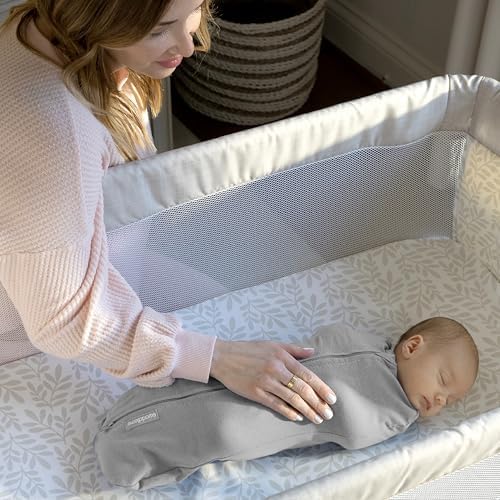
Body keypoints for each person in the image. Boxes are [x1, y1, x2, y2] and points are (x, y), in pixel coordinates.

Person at [0, 0, 336, 427]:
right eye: (159, 29)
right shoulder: (53, 136)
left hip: (112, 269)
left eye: (195, 7)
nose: (189, 45)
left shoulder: (42, 27)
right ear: (96, 16)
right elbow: (62, 319)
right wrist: (212, 358)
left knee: (261, 320)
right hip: (37, 334)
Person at [94, 316, 479, 488]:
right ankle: (128, 425)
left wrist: (406, 414)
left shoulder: (394, 413)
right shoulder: (368, 345)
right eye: (443, 381)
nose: (440, 399)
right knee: (203, 393)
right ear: (412, 347)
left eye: (449, 400)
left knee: (223, 431)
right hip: (259, 375)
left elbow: (356, 431)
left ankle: (131, 457)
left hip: (268, 420)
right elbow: (328, 337)